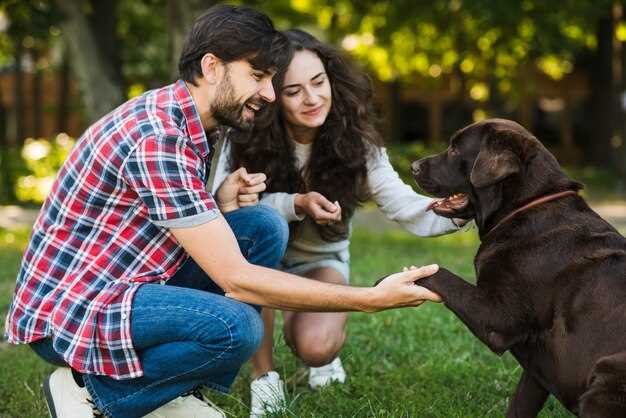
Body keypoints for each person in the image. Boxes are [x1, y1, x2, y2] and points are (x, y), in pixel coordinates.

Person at [3, 6, 442, 418]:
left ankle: (169, 390)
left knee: (262, 226)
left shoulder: (195, 122)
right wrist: (372, 298)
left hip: (126, 284)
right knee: (236, 328)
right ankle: (94, 392)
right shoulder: (159, 139)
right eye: (258, 76)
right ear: (211, 67)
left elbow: (163, 225)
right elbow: (236, 279)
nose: (268, 94)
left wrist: (222, 204)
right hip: (72, 313)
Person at [210, 29, 465, 417]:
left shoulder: (357, 144)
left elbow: (404, 206)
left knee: (316, 346)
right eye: (294, 91)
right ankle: (265, 380)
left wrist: (463, 209)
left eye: (318, 82)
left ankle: (319, 351)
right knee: (259, 238)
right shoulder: (240, 136)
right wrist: (294, 203)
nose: (312, 98)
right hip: (258, 261)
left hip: (319, 262)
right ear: (271, 96)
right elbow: (217, 208)